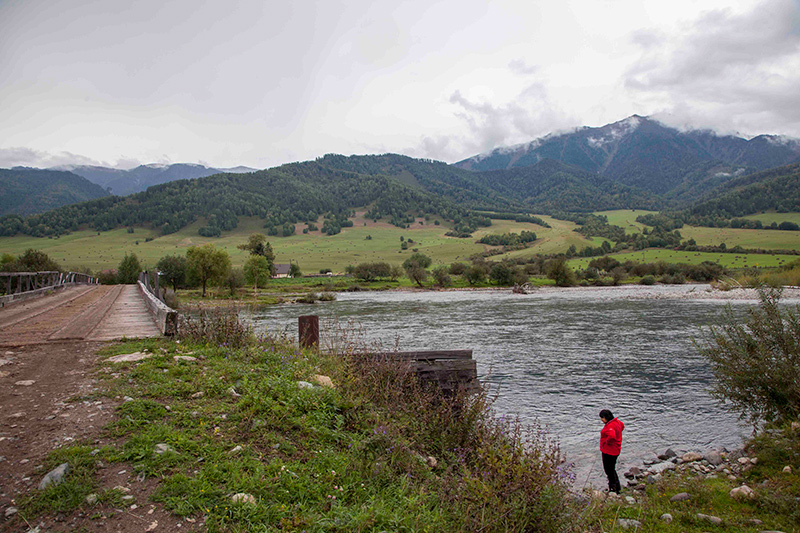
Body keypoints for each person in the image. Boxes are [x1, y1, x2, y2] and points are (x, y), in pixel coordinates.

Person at [599, 409, 624, 493]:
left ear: (606, 417)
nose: (601, 420)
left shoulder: (610, 426)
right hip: (616, 450)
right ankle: (617, 487)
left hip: (609, 451)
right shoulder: (617, 422)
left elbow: (612, 436)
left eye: (602, 418)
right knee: (612, 469)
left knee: (608, 470)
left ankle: (613, 488)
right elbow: (622, 426)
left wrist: (607, 442)